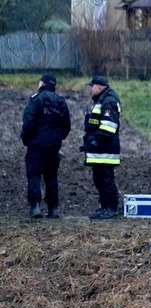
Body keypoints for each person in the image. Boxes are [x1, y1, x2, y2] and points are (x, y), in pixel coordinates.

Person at [21, 72, 71, 218]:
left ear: (42, 83)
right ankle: (53, 208)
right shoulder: (61, 102)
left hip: (36, 145)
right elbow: (67, 125)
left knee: (34, 175)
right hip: (53, 147)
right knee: (51, 177)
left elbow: (28, 123)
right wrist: (58, 138)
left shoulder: (35, 100)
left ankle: (35, 206)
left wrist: (26, 139)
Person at [82, 75, 121, 219]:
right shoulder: (101, 100)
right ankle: (104, 207)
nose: (91, 89)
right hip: (99, 151)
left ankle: (111, 208)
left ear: (99, 86)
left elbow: (109, 127)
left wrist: (96, 141)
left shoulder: (108, 101)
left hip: (105, 151)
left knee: (106, 180)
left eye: (92, 86)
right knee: (99, 180)